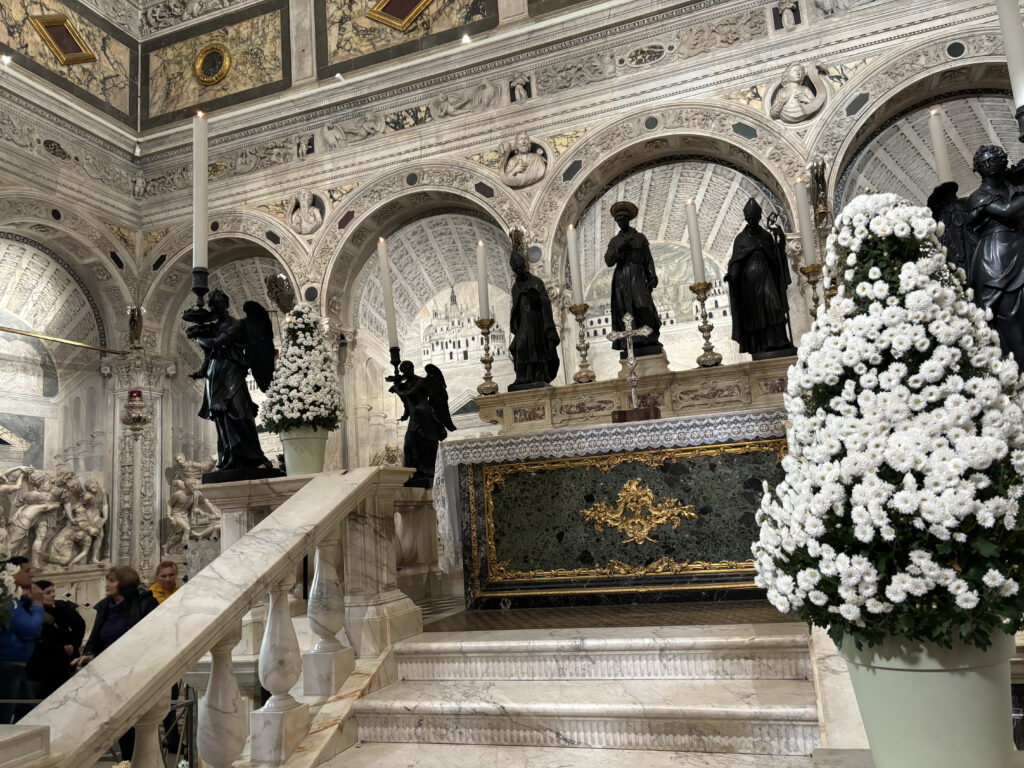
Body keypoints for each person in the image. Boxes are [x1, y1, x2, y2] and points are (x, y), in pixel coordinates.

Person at [72, 567, 158, 761]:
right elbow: (96, 637)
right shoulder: (104, 606)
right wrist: (90, 654)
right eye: (107, 580)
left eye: (112, 580)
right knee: (120, 723)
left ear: (125, 583)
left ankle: (140, 760)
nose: (107, 584)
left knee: (138, 721)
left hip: (135, 670)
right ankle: (127, 762)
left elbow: (151, 636)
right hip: (110, 672)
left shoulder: (145, 603)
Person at [186, 289, 274, 472]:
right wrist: (201, 372)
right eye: (213, 303)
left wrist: (198, 337)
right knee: (222, 417)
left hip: (232, 371)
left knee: (240, 412)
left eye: (219, 301)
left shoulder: (234, 324)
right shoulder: (215, 326)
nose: (216, 305)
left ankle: (254, 455)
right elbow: (209, 355)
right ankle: (229, 457)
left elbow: (216, 343)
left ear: (225, 303)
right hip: (215, 374)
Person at [966, 145, 1024, 365]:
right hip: (996, 259)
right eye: (985, 162)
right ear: (978, 168)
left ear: (1003, 160)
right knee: (1009, 316)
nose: (990, 164)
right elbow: (1006, 211)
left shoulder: (1014, 189)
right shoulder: (977, 197)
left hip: (1020, 248)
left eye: (994, 159)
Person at [725, 198, 795, 357]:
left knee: (774, 307)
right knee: (756, 314)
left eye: (754, 218)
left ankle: (780, 341)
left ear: (759, 218)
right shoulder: (741, 239)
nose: (751, 221)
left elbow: (776, 259)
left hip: (766, 277)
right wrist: (732, 275)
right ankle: (762, 345)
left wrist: (781, 241)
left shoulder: (766, 236)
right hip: (749, 283)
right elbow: (736, 260)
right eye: (749, 219)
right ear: (746, 219)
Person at [604, 201, 662, 357]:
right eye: (618, 220)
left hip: (637, 274)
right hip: (622, 277)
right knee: (625, 309)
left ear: (628, 219)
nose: (620, 222)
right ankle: (631, 342)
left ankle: (650, 337)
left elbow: (648, 259)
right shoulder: (614, 241)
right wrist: (618, 249)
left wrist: (652, 275)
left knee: (643, 305)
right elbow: (608, 261)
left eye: (623, 219)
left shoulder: (640, 238)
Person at [508, 246, 560, 389]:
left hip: (536, 322)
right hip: (523, 324)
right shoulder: (515, 287)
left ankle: (538, 375)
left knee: (536, 348)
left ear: (525, 265)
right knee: (521, 347)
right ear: (513, 270)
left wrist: (535, 297)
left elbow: (546, 301)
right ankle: (523, 376)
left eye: (521, 267)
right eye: (516, 268)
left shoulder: (536, 282)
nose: (519, 270)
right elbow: (515, 308)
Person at [0, 556, 43, 723]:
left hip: (15, 665)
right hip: (7, 666)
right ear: (12, 574)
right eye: (27, 571)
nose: (32, 575)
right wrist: (38, 604)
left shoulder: (13, 600)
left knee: (27, 717)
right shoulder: (6, 601)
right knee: (4, 720)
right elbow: (31, 629)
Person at [26, 580, 85, 700]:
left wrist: (73, 643)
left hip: (62, 666)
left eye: (53, 591)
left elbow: (79, 625)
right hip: (40, 669)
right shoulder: (29, 613)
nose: (52, 595)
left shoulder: (61, 608)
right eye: (48, 592)